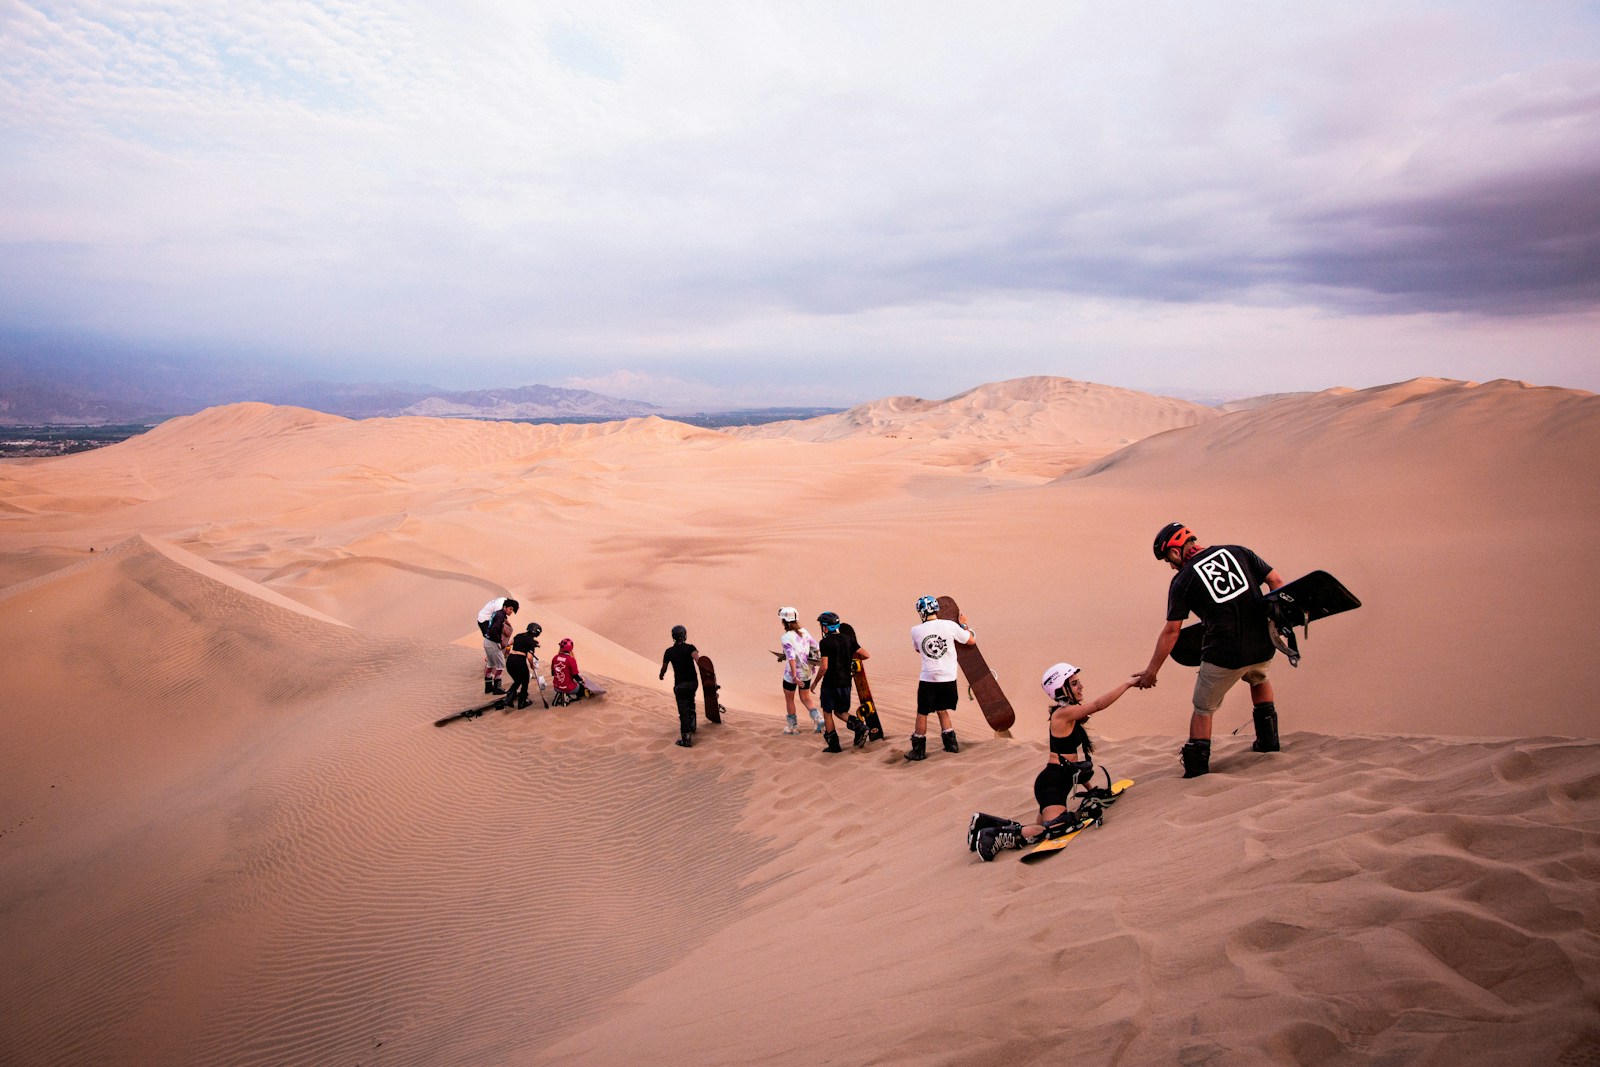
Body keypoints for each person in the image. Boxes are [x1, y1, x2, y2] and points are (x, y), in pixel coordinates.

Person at [1136, 523, 1285, 778]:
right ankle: (1268, 742)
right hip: (1263, 644)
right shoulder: (1239, 551)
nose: (1171, 566)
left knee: (1203, 708)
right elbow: (1276, 581)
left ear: (1174, 552)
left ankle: (1197, 768)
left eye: (1167, 560)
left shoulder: (1182, 580)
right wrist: (1279, 620)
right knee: (1258, 677)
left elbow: (1172, 631)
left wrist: (1152, 671)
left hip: (1224, 653)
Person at [970, 662, 1140, 860]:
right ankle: (994, 835)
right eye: (1075, 683)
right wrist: (1128, 684)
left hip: (1059, 782)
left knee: (1042, 828)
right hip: (1051, 784)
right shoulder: (1063, 714)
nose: (1081, 686)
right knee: (1056, 830)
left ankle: (985, 823)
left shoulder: (1068, 713)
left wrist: (1091, 789)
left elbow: (1072, 765)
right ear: (1061, 688)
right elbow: (1097, 705)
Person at [907, 595, 973, 761]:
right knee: (942, 709)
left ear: (921, 613)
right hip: (948, 677)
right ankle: (951, 744)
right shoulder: (950, 625)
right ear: (937, 609)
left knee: (922, 712)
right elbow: (970, 640)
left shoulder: (916, 630)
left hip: (928, 678)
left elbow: (917, 649)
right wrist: (964, 624)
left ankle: (918, 749)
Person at [814, 612, 869, 753]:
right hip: (845, 682)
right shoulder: (848, 639)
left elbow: (824, 666)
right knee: (840, 711)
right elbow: (866, 655)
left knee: (827, 712)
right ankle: (859, 726)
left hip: (830, 683)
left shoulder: (825, 643)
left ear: (825, 627)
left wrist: (814, 683)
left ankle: (834, 745)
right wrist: (850, 657)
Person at [777, 607, 824, 735]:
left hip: (792, 675)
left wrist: (794, 676)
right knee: (805, 697)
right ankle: (818, 718)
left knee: (790, 699)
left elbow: (791, 658)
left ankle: (793, 727)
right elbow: (816, 647)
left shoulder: (785, 637)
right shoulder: (804, 632)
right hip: (807, 672)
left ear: (784, 622)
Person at [659, 625, 702, 747]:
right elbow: (699, 661)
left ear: (673, 637)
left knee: (683, 710)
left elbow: (664, 668)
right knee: (691, 700)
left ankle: (686, 738)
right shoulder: (691, 648)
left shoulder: (669, 652)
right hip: (693, 683)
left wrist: (661, 675)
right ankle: (692, 725)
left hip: (680, 685)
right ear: (684, 635)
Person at [480, 598, 519, 694]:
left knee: (490, 664)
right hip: (492, 642)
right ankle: (497, 688)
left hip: (487, 641)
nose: (511, 612)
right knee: (501, 665)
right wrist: (499, 641)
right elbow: (494, 629)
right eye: (510, 609)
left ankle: (488, 687)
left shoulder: (498, 614)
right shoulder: (500, 616)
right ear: (505, 607)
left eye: (512, 610)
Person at [504, 621, 543, 709]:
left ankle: (508, 699)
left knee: (518, 680)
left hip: (510, 661)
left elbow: (510, 643)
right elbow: (529, 657)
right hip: (519, 662)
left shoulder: (518, 635)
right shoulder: (531, 642)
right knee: (525, 681)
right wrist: (532, 665)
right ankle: (522, 702)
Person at [550, 637, 587, 705]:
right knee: (582, 690)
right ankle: (569, 697)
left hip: (556, 687)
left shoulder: (555, 657)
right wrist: (582, 680)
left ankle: (562, 694)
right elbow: (575, 676)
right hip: (568, 687)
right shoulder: (571, 659)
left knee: (573, 685)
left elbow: (553, 673)